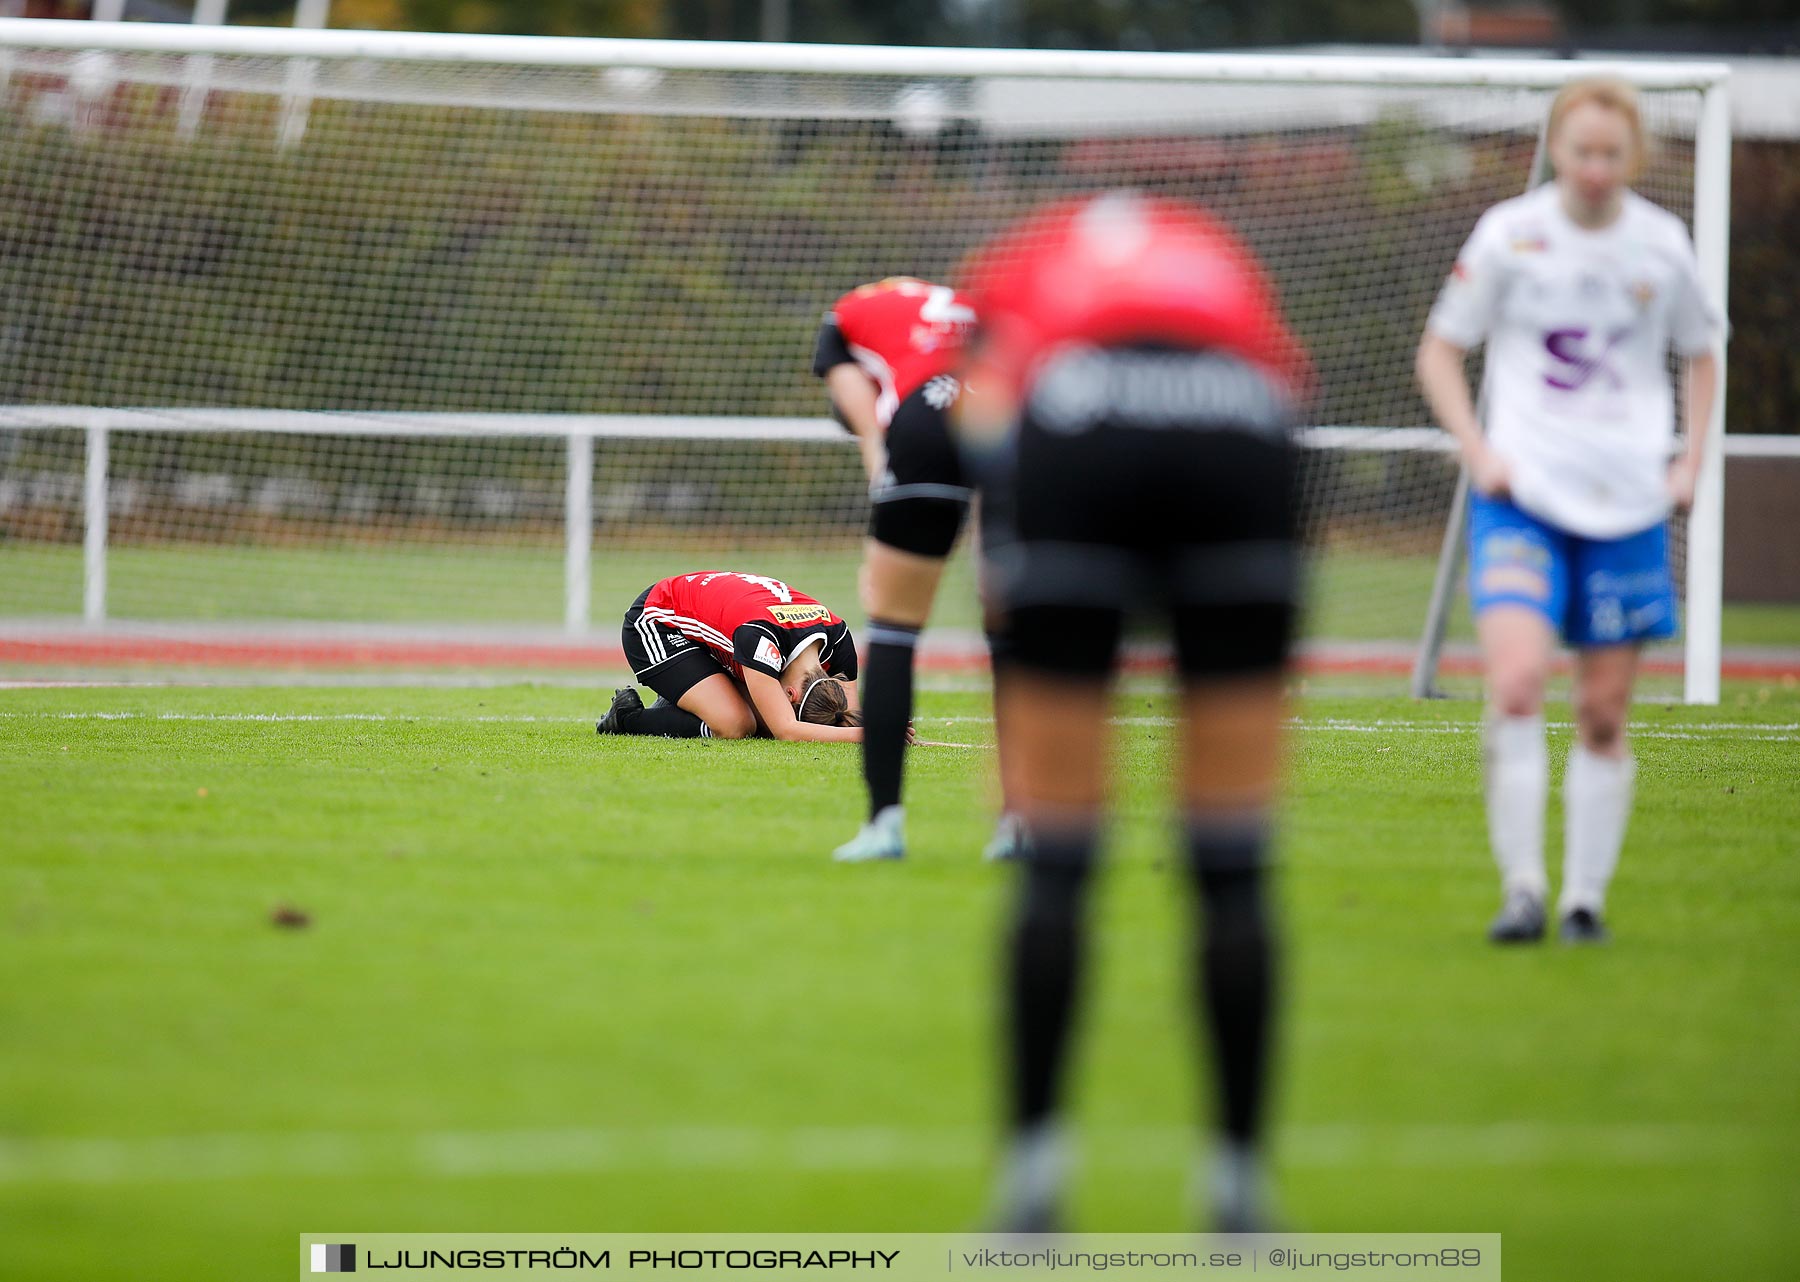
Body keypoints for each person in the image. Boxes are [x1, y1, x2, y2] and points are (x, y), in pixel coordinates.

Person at [956, 192, 1311, 1232]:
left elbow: (983, 417)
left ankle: (1033, 1183)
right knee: (1232, 855)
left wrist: (1010, 606)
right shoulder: (1221, 255)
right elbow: (1295, 384)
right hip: (1240, 430)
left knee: (1058, 849)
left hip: (1080, 423)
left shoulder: (1021, 262)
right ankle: (1239, 1190)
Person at [1415, 76, 1723, 945]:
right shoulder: (1510, 237)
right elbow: (1440, 351)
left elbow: (1704, 355)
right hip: (1523, 499)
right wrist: (1478, 448)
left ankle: (1584, 901)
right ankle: (1522, 889)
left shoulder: (1662, 246)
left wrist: (1689, 461)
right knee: (1515, 684)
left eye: (1611, 154)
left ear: (1635, 159)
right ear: (1556, 148)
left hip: (1626, 502)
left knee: (1601, 710)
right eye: (1581, 150)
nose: (1595, 168)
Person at [815, 280, 1023, 863]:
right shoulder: (971, 302)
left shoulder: (845, 318)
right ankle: (1019, 825)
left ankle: (885, 825)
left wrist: (879, 459)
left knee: (893, 625)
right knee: (1010, 630)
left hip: (927, 418)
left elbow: (868, 413)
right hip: (1010, 416)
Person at [596, 570, 862, 742]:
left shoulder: (838, 638)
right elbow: (787, 730)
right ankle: (626, 718)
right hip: (656, 620)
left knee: (757, 717)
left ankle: (685, 698)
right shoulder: (760, 640)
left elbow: (848, 716)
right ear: (791, 694)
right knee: (736, 724)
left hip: (707, 630)